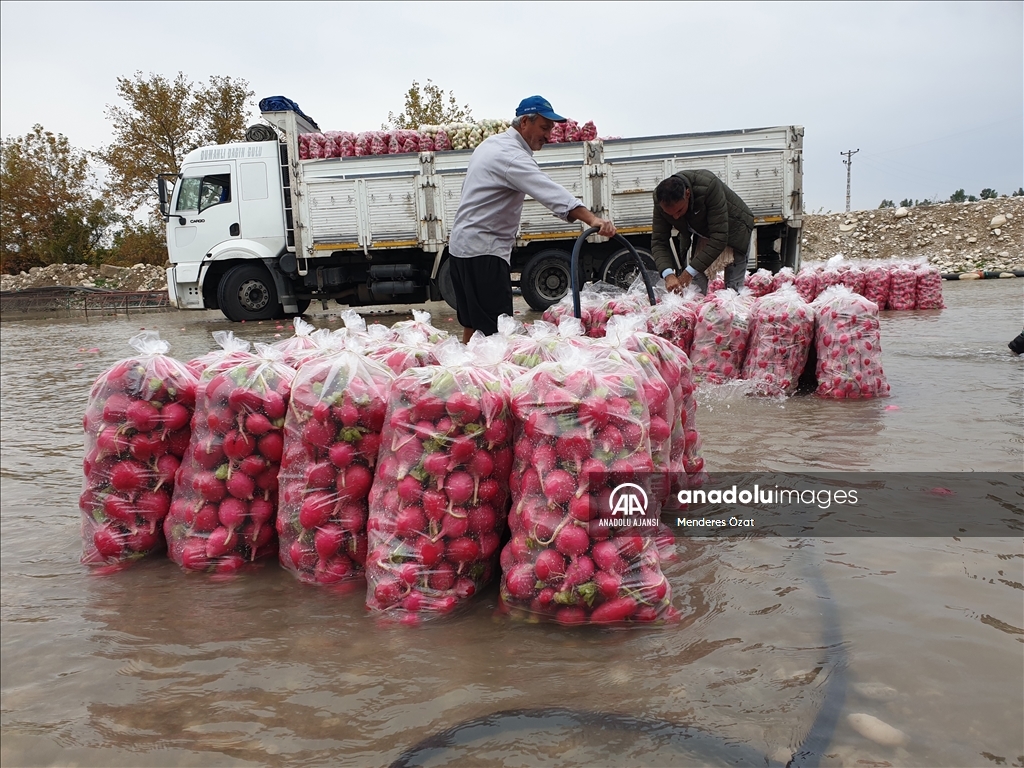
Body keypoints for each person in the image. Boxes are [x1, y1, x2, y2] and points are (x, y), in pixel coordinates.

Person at [447, 95, 616, 341]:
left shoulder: (491, 144)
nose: (548, 136)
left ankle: (466, 373)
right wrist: (592, 219)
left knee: (473, 325)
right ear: (525, 122)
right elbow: (549, 192)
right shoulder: (511, 156)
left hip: (461, 250)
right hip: (484, 252)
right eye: (544, 128)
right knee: (495, 336)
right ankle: (487, 376)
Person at [651, 170, 754, 295]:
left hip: (735, 230)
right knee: (695, 291)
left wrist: (689, 272)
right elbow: (659, 241)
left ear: (687, 194)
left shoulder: (708, 186)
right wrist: (668, 274)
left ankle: (735, 312)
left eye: (679, 211)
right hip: (703, 232)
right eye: (670, 214)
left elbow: (719, 237)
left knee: (732, 291)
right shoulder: (660, 200)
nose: (676, 217)